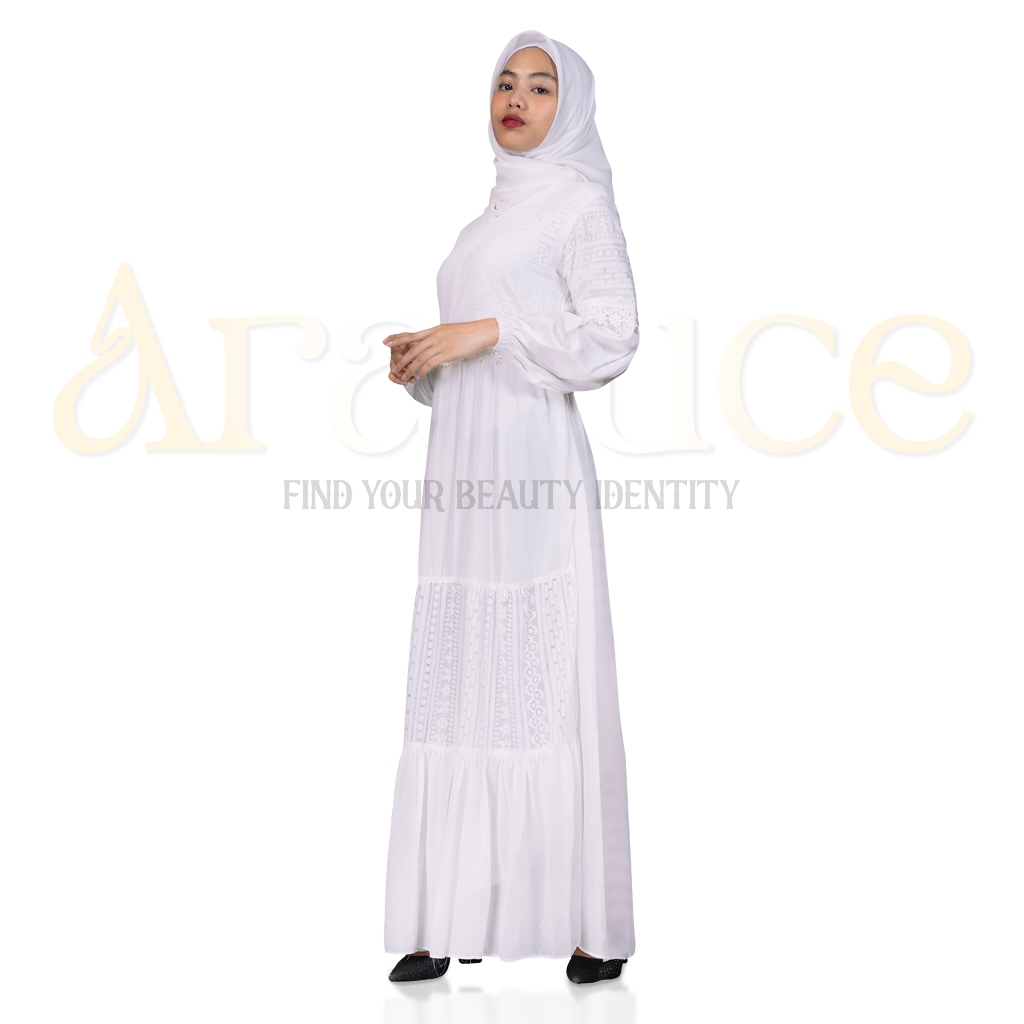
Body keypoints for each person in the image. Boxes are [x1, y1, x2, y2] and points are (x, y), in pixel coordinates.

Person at [381, 29, 638, 986]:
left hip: (531, 469)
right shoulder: (484, 220)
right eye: (505, 82)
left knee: (543, 669)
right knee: (464, 668)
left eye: (540, 86)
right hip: (465, 472)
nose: (517, 98)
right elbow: (486, 351)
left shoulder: (578, 203)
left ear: (570, 109)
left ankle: (590, 925)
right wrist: (427, 360)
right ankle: (452, 912)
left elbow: (612, 335)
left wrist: (484, 330)